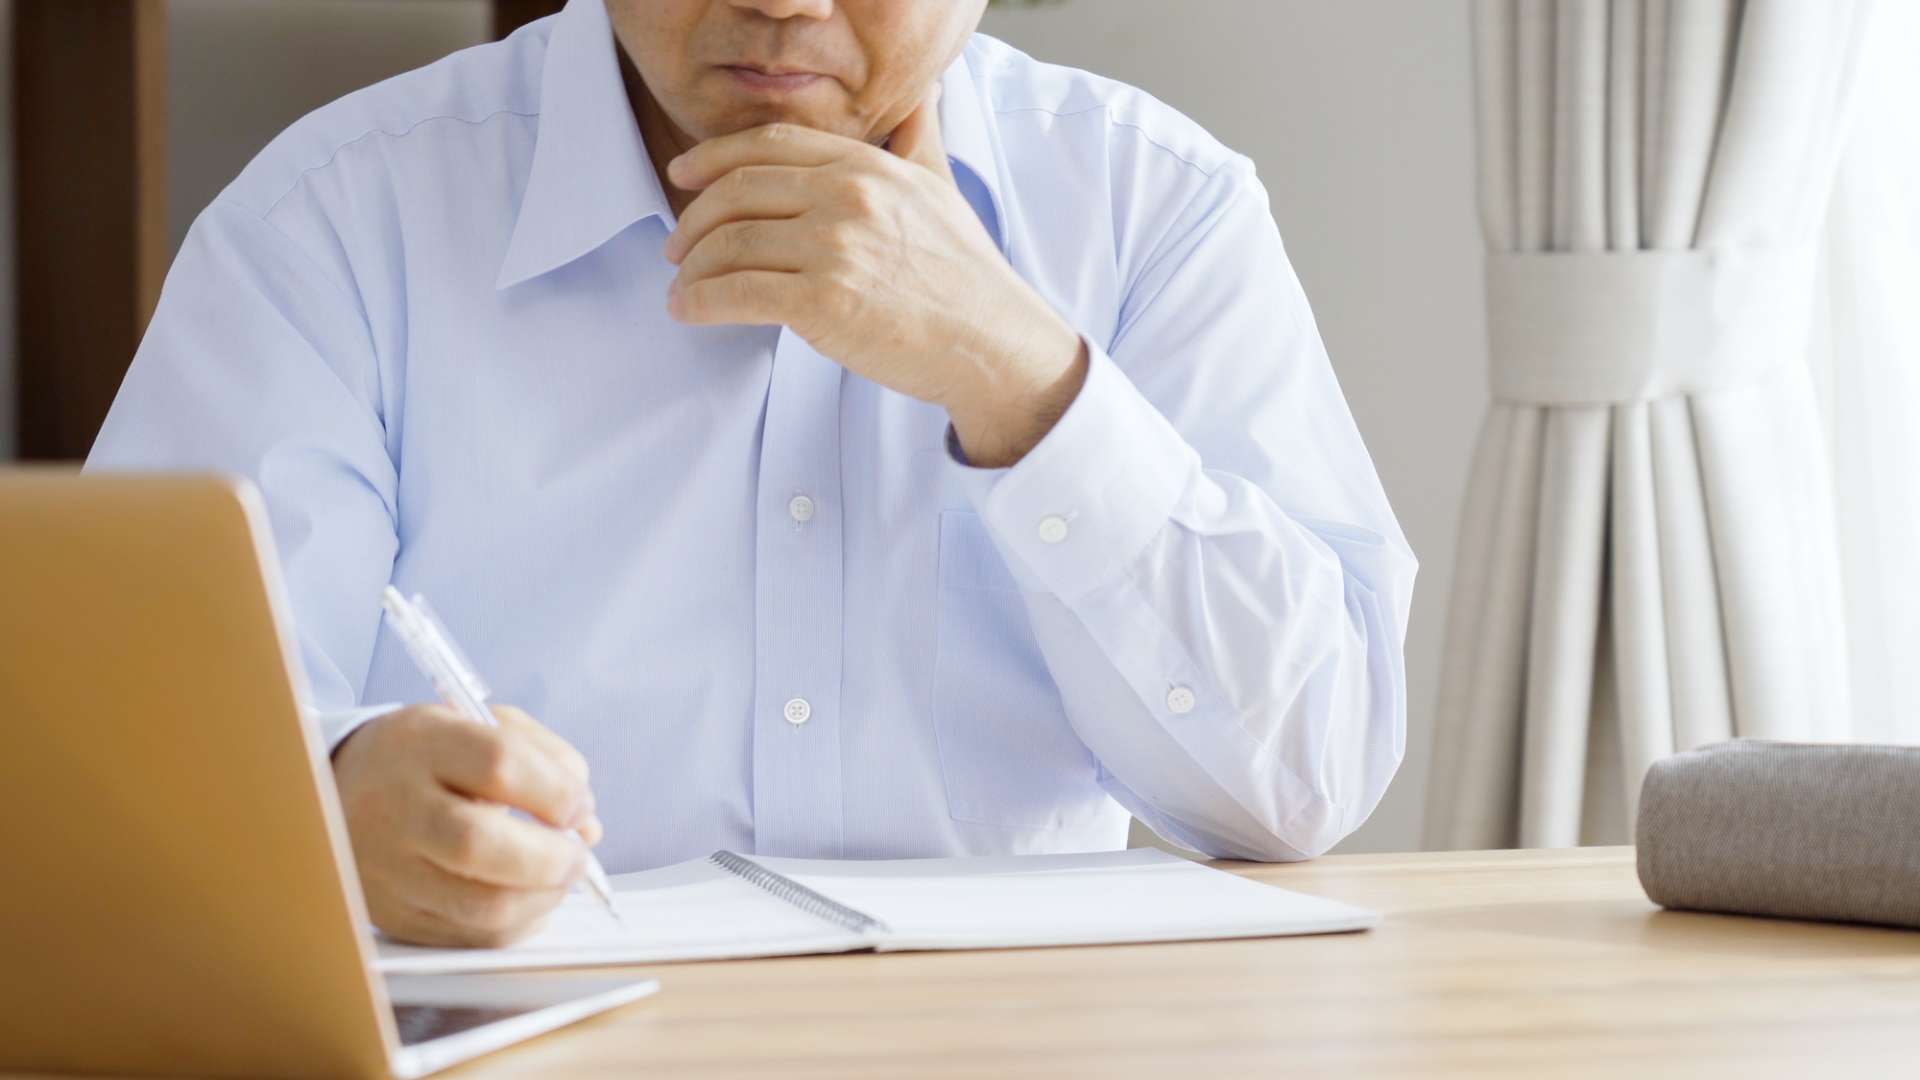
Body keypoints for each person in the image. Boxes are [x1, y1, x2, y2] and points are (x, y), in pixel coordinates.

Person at [88, 0, 1417, 948]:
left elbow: (1301, 784)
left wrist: (1022, 379)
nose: (780, 1)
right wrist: (330, 806)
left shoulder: (1155, 207)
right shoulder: (331, 218)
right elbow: (113, 771)